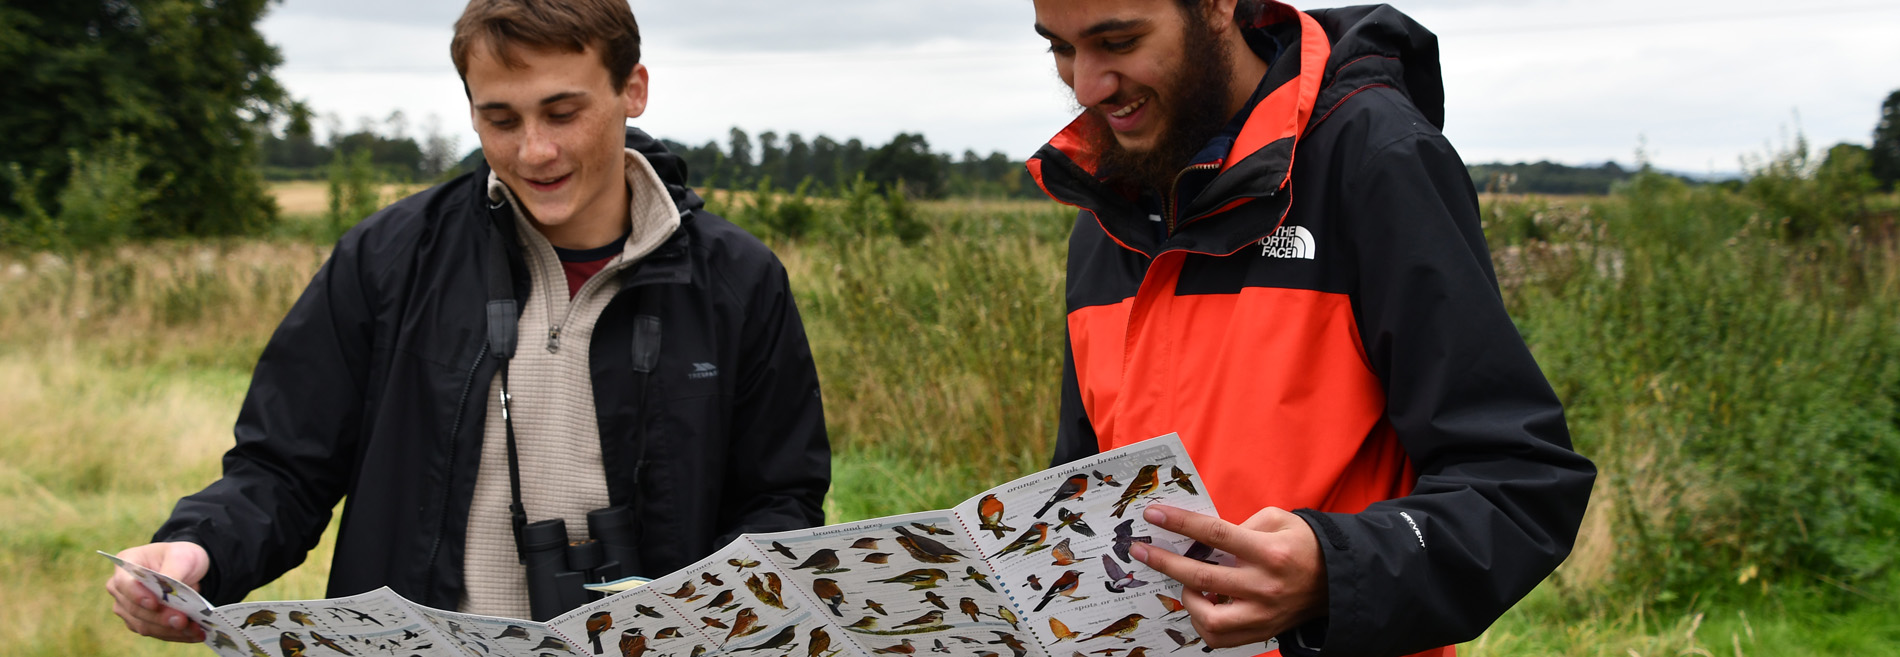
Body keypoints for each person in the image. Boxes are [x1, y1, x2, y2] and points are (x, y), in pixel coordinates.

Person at [107, 0, 829, 638]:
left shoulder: (737, 279)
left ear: (631, 90)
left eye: (562, 112)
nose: (534, 151)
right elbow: (282, 468)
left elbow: (779, 499)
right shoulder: (389, 257)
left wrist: (712, 617)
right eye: (500, 118)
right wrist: (200, 549)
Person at [1028, 0, 1595, 655]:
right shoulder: (1105, 208)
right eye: (1061, 50)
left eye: (1118, 42)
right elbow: (1083, 487)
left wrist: (1333, 570)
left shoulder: (1374, 160)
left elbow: (1520, 484)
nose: (1087, 86)